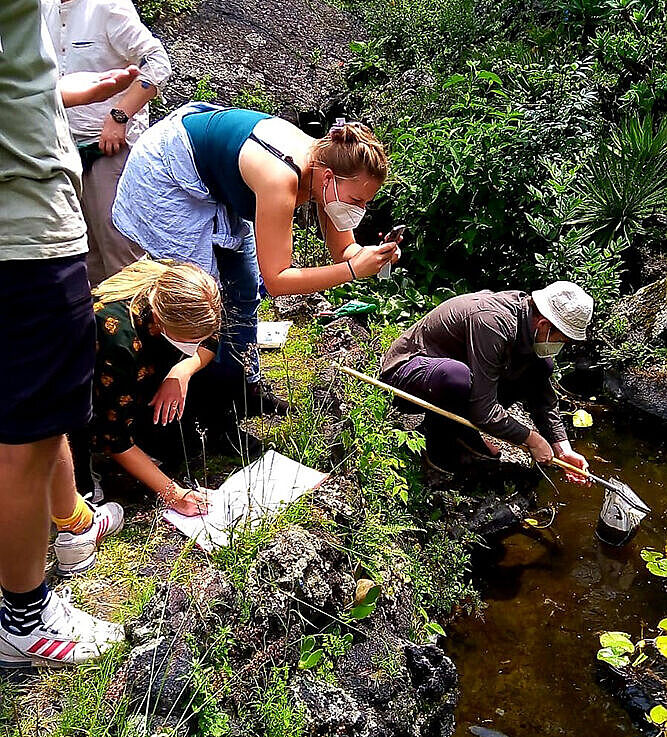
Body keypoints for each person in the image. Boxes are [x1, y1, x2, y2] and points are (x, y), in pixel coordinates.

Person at [0, 0, 140, 667]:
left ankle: (73, 526)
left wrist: (84, 90)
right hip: (23, 222)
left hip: (22, 214)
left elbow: (23, 72)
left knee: (31, 414)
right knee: (28, 434)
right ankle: (24, 617)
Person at [113, 109, 401, 416]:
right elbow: (277, 280)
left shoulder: (326, 168)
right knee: (199, 301)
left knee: (244, 288)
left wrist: (372, 256)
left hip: (214, 174)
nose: (361, 209)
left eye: (366, 202)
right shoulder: (281, 178)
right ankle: (205, 409)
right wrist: (354, 270)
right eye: (357, 201)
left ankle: (244, 388)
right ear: (330, 179)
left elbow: (344, 250)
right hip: (170, 171)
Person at [67, 259, 224, 532]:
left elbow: (212, 339)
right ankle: (85, 467)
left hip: (136, 377)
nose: (197, 346)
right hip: (85, 394)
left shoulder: (180, 286)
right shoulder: (117, 339)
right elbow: (113, 434)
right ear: (162, 324)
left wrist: (182, 371)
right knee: (83, 470)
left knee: (177, 445)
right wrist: (174, 494)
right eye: (190, 341)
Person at [380, 282, 594, 477]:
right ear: (545, 325)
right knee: (456, 378)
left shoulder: (528, 325)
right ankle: (439, 447)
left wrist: (563, 449)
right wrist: (532, 439)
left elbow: (543, 399)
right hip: (406, 375)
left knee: (541, 365)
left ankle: (464, 433)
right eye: (562, 340)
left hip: (457, 374)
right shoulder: (492, 322)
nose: (561, 346)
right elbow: (484, 410)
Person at [43, 0, 172, 286]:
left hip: (111, 149)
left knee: (121, 254)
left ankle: (136, 328)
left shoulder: (107, 5)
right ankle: (98, 330)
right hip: (62, 149)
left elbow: (157, 62)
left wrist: (119, 115)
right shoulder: (41, 9)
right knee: (79, 255)